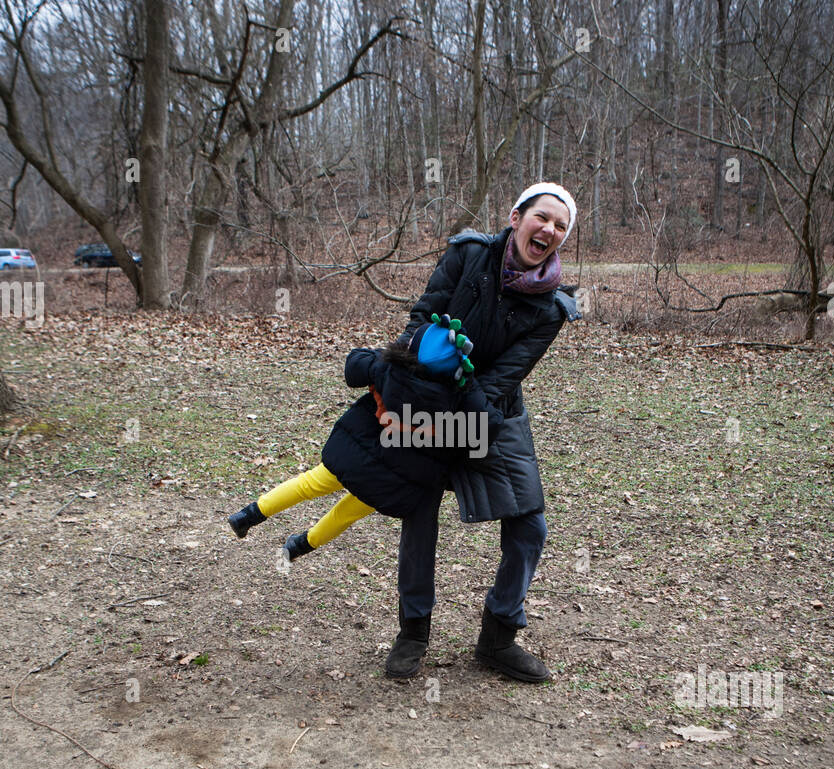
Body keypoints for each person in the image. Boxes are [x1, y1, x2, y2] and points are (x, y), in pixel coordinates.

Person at [377, 182, 581, 683]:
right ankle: (413, 632)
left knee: (530, 525)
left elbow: (507, 373)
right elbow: (421, 317)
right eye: (543, 217)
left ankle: (498, 637)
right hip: (428, 397)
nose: (549, 229)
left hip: (494, 409)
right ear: (516, 217)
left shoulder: (552, 307)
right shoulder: (468, 254)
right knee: (419, 510)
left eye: (560, 226)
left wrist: (474, 404)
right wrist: (432, 349)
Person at [226, 314, 493, 563]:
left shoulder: (389, 369)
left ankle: (248, 516)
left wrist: (386, 358)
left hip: (356, 456)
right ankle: (298, 547)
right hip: (393, 482)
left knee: (307, 484)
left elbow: (354, 364)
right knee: (346, 514)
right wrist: (468, 385)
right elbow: (489, 425)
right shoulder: (454, 400)